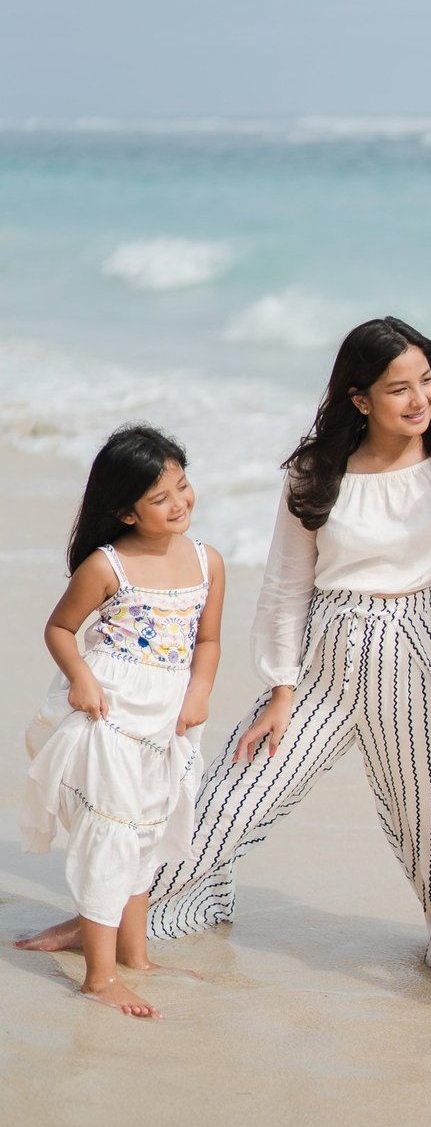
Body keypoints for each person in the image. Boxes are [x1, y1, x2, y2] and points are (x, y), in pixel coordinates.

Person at [75, 317, 431, 969]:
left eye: (427, 380)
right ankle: (111, 915)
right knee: (231, 797)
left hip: (420, 643)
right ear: (359, 399)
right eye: (398, 388)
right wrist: (280, 687)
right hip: (327, 652)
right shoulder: (316, 472)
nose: (420, 399)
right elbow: (287, 583)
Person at [19, 426, 224, 1018]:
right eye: (161, 499)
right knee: (111, 832)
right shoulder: (107, 566)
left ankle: (136, 955)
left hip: (171, 719)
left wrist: (201, 691)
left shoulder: (208, 562)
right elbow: (60, 629)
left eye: (183, 486)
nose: (180, 503)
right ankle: (100, 978)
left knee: (148, 832)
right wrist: (82, 679)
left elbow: (207, 639)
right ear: (124, 512)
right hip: (109, 712)